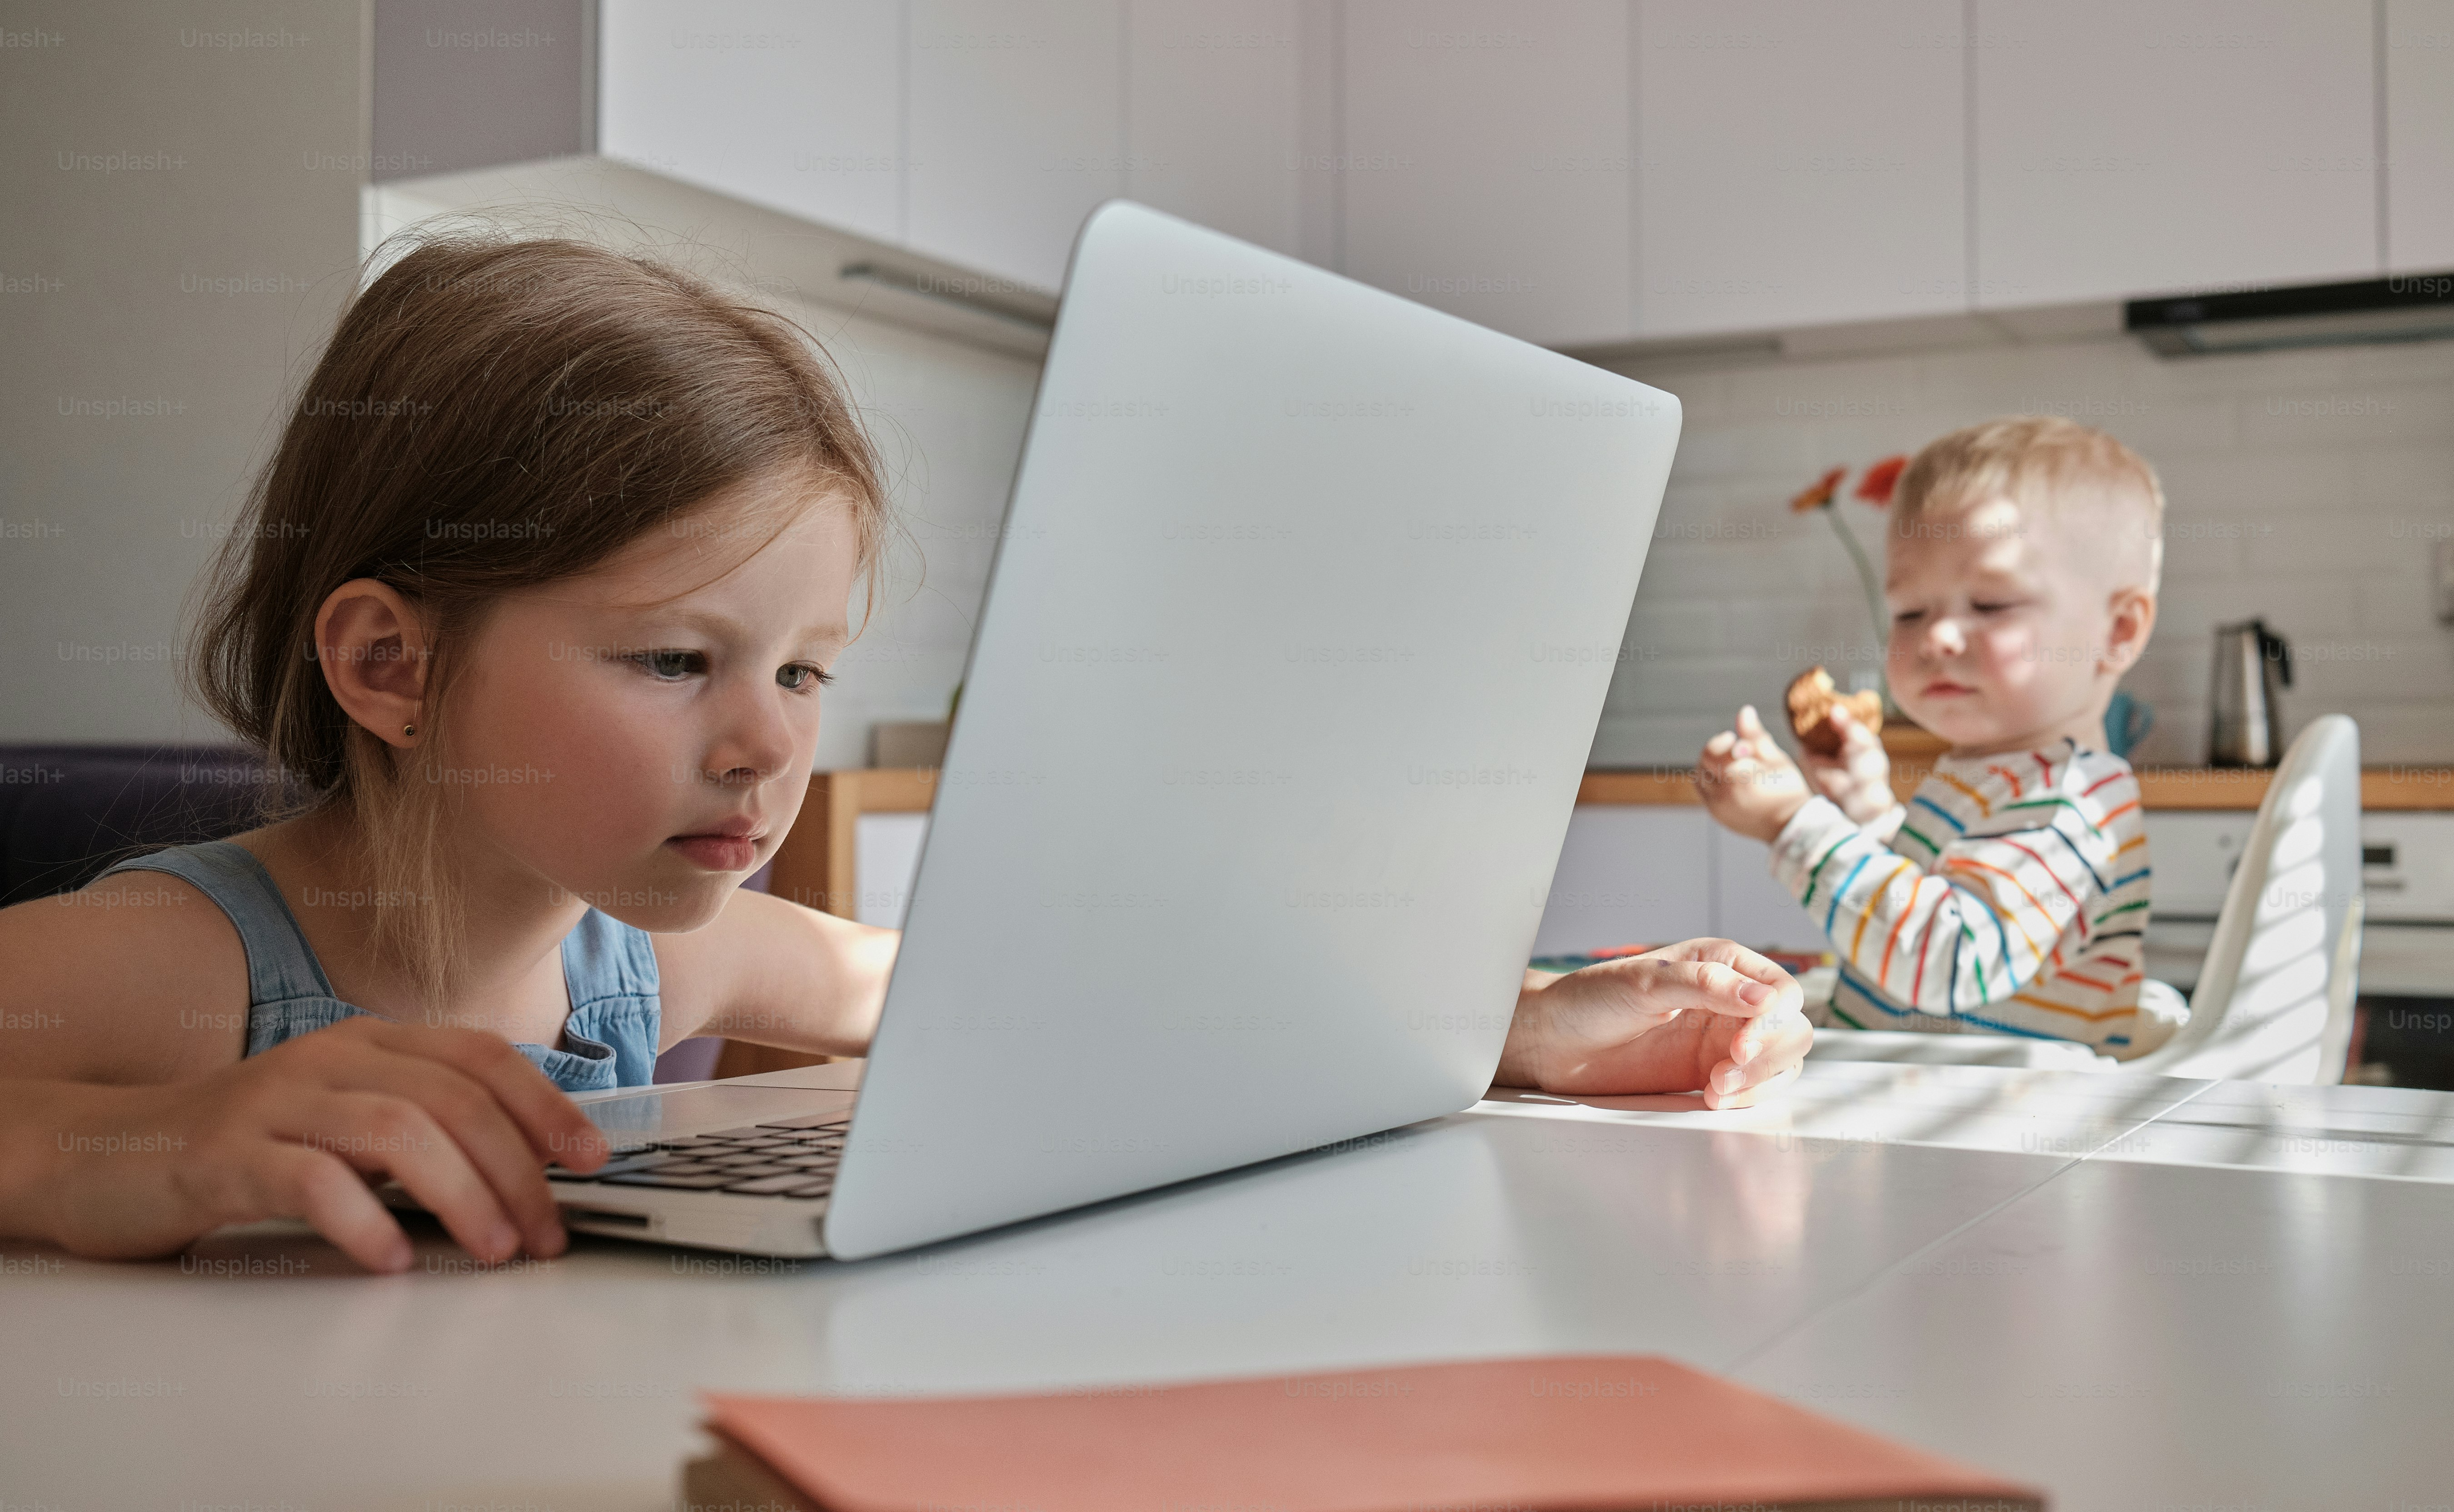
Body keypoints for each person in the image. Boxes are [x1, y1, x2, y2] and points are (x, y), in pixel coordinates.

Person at [0, 234, 1809, 1274]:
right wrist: (134, 1145)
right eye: (673, 659)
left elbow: (1026, 996)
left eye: (804, 671)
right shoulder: (191, 963)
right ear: (392, 666)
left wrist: (1509, 1024)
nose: (765, 745)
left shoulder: (661, 947)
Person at [1696, 415, 2183, 1058]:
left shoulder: (2072, 803)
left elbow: (1946, 961)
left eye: (1990, 605)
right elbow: (1938, 893)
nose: (1936, 638)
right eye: (1911, 612)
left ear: (2118, 632)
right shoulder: (1997, 774)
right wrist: (1866, 807)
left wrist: (1794, 825)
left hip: (2003, 1130)